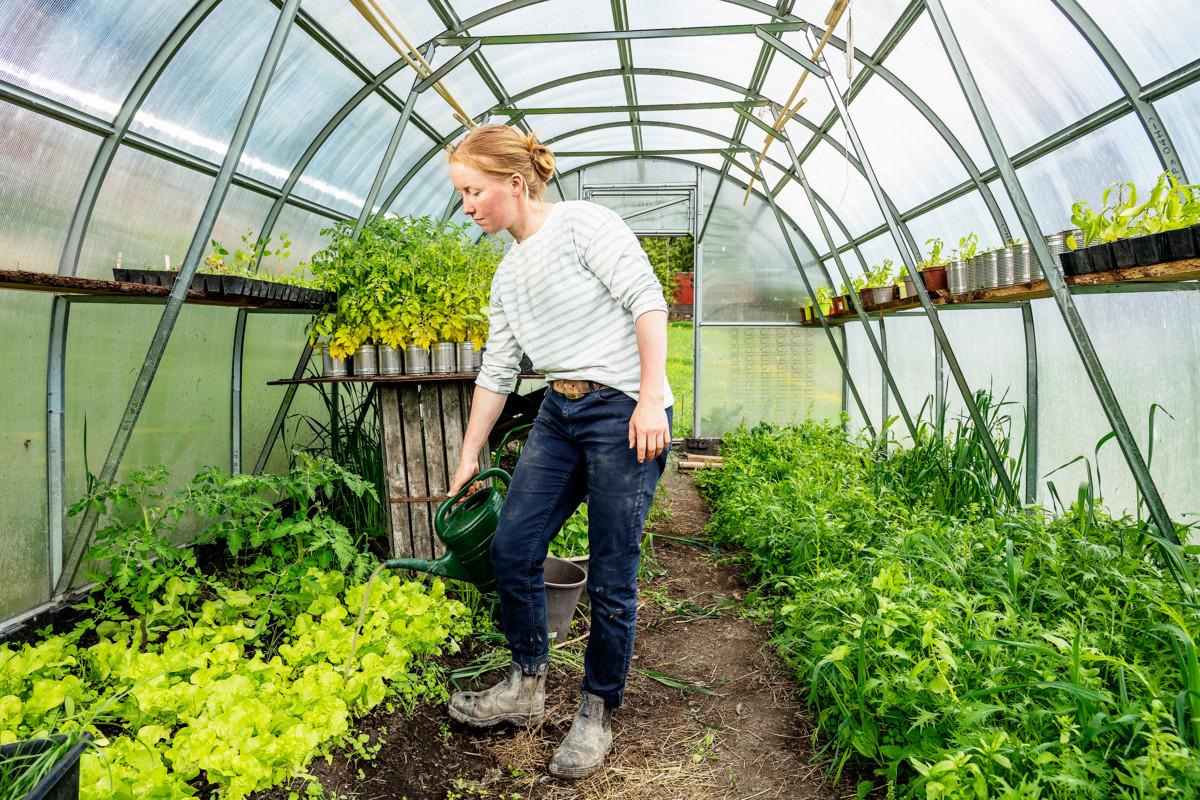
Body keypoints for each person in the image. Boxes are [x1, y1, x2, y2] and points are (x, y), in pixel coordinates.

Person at [443, 124, 673, 780]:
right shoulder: (508, 274)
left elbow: (647, 303)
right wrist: (468, 455)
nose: (467, 206)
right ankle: (526, 682)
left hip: (621, 408)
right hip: (558, 410)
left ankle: (598, 710)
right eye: (462, 194)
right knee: (513, 549)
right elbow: (498, 370)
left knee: (611, 571)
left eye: (474, 191)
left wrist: (650, 398)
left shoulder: (583, 227)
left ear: (515, 184)